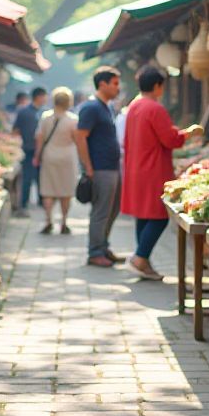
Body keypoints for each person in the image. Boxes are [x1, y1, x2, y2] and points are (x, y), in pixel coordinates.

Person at [122, 66, 203, 280]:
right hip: (153, 169)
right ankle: (140, 257)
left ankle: (143, 261)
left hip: (136, 167)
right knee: (158, 217)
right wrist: (188, 133)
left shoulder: (134, 106)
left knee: (144, 214)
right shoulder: (155, 108)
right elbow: (170, 139)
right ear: (157, 86)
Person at [75, 66, 125, 267]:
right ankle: (95, 252)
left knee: (112, 210)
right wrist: (88, 167)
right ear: (102, 84)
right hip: (100, 168)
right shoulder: (91, 107)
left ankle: (103, 246)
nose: (117, 88)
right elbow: (80, 137)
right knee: (101, 211)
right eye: (114, 83)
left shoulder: (107, 107)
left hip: (112, 167)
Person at [33, 87, 78, 235]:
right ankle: (64, 222)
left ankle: (48, 221)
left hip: (49, 155)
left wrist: (37, 156)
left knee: (48, 190)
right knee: (66, 191)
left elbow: (39, 138)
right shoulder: (73, 119)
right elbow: (77, 139)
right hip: (67, 156)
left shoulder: (46, 117)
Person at [12, 88, 46, 218]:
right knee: (28, 178)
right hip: (30, 149)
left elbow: (15, 130)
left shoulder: (37, 112)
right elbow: (16, 130)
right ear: (39, 97)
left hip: (37, 150)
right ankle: (24, 204)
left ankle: (39, 200)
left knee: (38, 177)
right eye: (44, 96)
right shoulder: (36, 113)